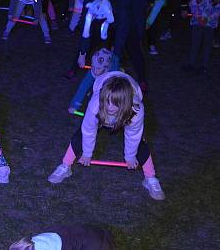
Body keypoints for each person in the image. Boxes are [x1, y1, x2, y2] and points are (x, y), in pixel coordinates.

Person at [47, 72, 165, 200]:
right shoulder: (96, 103)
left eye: (115, 104)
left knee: (141, 142)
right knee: (80, 135)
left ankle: (150, 178)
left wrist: (130, 157)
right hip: (102, 92)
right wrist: (87, 153)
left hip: (125, 114)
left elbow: (133, 135)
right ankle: (65, 166)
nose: (109, 107)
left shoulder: (135, 110)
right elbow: (88, 130)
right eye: (107, 101)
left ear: (124, 103)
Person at [184, 0, 220, 73]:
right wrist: (198, 17)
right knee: (195, 43)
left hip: (210, 24)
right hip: (197, 22)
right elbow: (193, 4)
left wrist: (208, 18)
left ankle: (204, 66)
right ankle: (191, 63)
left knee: (207, 45)